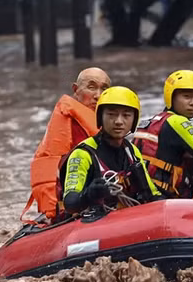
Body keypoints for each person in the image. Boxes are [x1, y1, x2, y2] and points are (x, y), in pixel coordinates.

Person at [22, 67, 111, 221]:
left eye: (104, 89)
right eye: (91, 87)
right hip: (72, 207)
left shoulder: (111, 124)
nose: (98, 95)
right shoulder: (70, 126)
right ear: (76, 90)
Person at [60, 86, 162, 214]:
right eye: (111, 114)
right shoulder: (82, 154)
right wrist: (88, 194)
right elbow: (70, 203)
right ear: (100, 117)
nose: (119, 121)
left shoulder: (132, 151)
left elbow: (152, 193)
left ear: (134, 120)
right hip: (92, 223)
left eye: (126, 115)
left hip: (127, 220)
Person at [133, 70, 193, 198]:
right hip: (165, 198)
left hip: (142, 195)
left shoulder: (152, 121)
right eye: (187, 97)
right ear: (171, 97)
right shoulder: (177, 121)